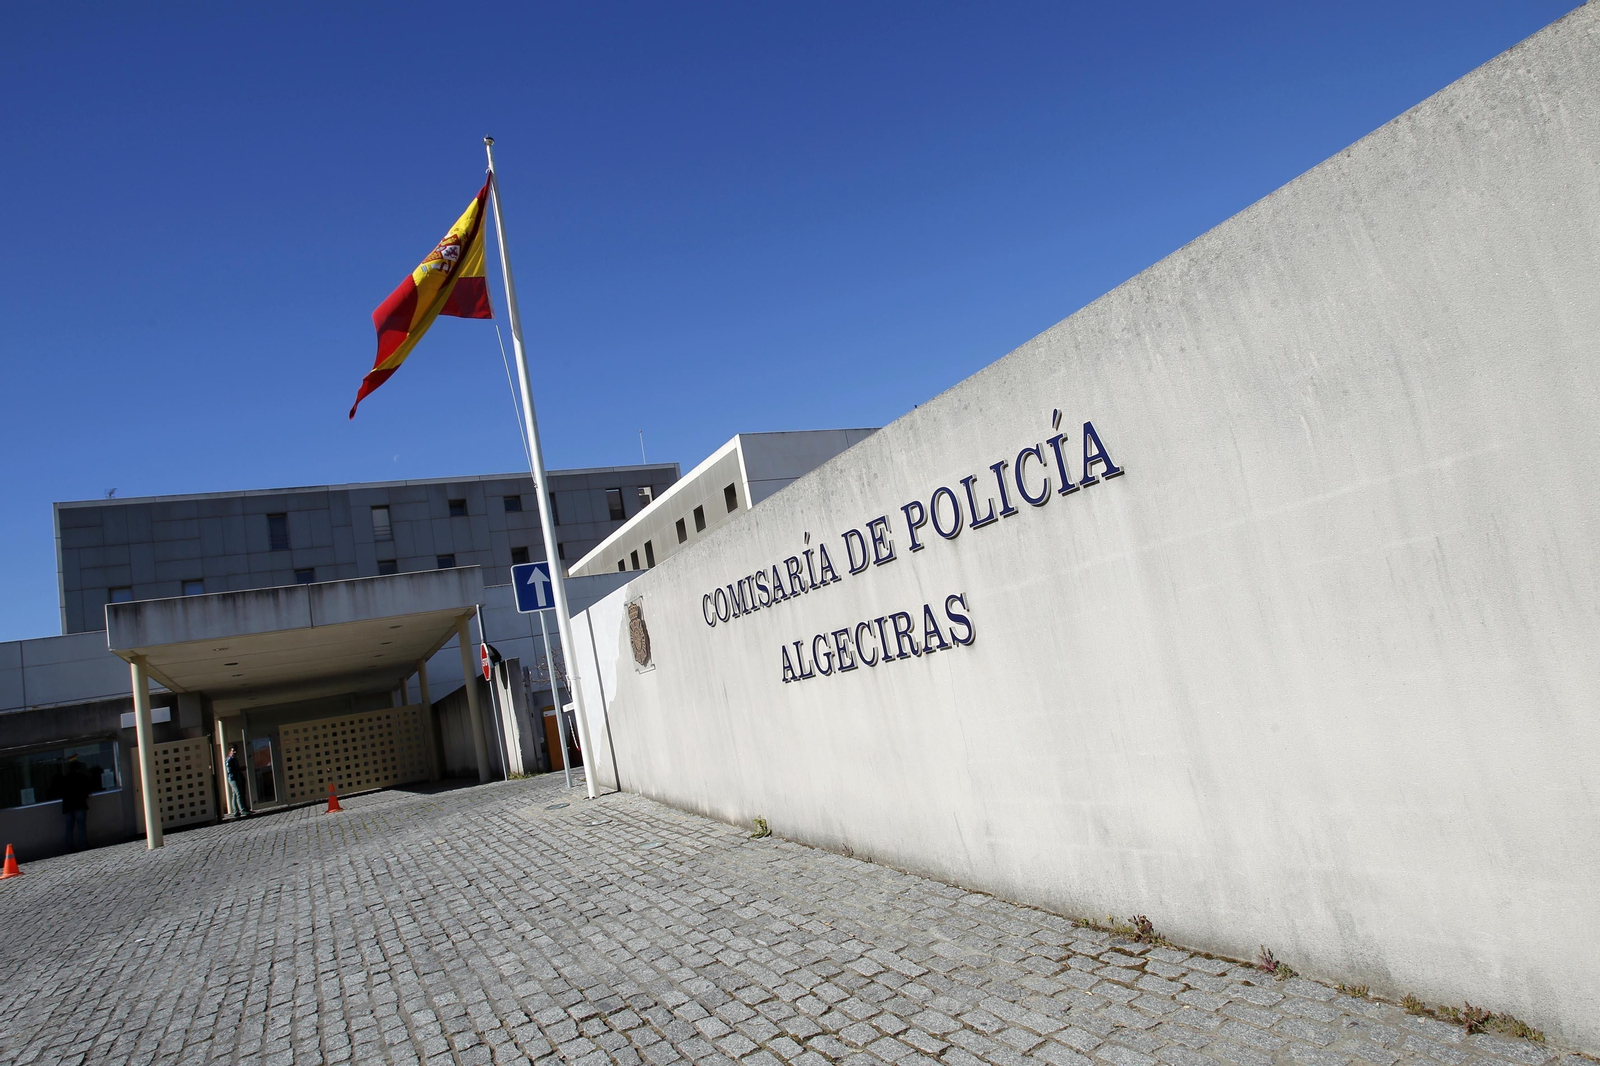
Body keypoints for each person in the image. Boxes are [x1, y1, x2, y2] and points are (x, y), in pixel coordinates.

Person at [55, 755, 93, 851]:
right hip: (79, 804)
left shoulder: (65, 779)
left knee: (69, 827)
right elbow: (87, 789)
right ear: (78, 768)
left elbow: (60, 792)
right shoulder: (82, 777)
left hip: (68, 806)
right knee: (81, 826)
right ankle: (83, 845)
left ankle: (69, 846)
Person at [225, 745, 251, 819]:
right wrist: (239, 769)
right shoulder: (229, 759)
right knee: (238, 793)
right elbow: (229, 771)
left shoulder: (233, 759)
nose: (235, 752)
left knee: (235, 794)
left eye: (236, 751)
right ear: (230, 751)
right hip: (233, 778)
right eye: (233, 751)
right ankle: (242, 810)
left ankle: (236, 811)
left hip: (235, 778)